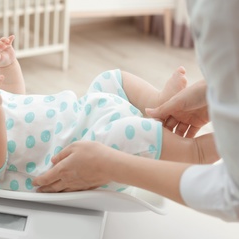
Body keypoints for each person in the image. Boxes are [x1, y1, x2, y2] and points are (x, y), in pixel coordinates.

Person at [0, 35, 219, 192]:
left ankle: (158, 104)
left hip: (85, 110)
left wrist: (8, 65)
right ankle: (199, 151)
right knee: (125, 135)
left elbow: (16, 96)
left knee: (110, 78)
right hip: (88, 141)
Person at [33, 0, 239, 221]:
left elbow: (232, 196)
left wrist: (108, 164)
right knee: (122, 131)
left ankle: (185, 140)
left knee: (112, 80)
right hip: (80, 131)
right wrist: (209, 90)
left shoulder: (222, 16)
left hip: (82, 121)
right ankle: (183, 138)